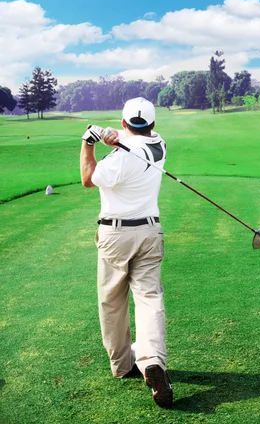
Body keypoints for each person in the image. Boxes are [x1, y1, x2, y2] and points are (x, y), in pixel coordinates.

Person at [80, 97, 173, 409]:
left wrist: (89, 143)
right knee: (149, 298)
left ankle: (122, 365)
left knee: (113, 301)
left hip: (115, 234)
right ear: (153, 125)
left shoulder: (118, 160)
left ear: (123, 123)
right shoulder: (159, 145)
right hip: (149, 231)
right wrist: (115, 140)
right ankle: (153, 362)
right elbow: (134, 142)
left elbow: (87, 178)